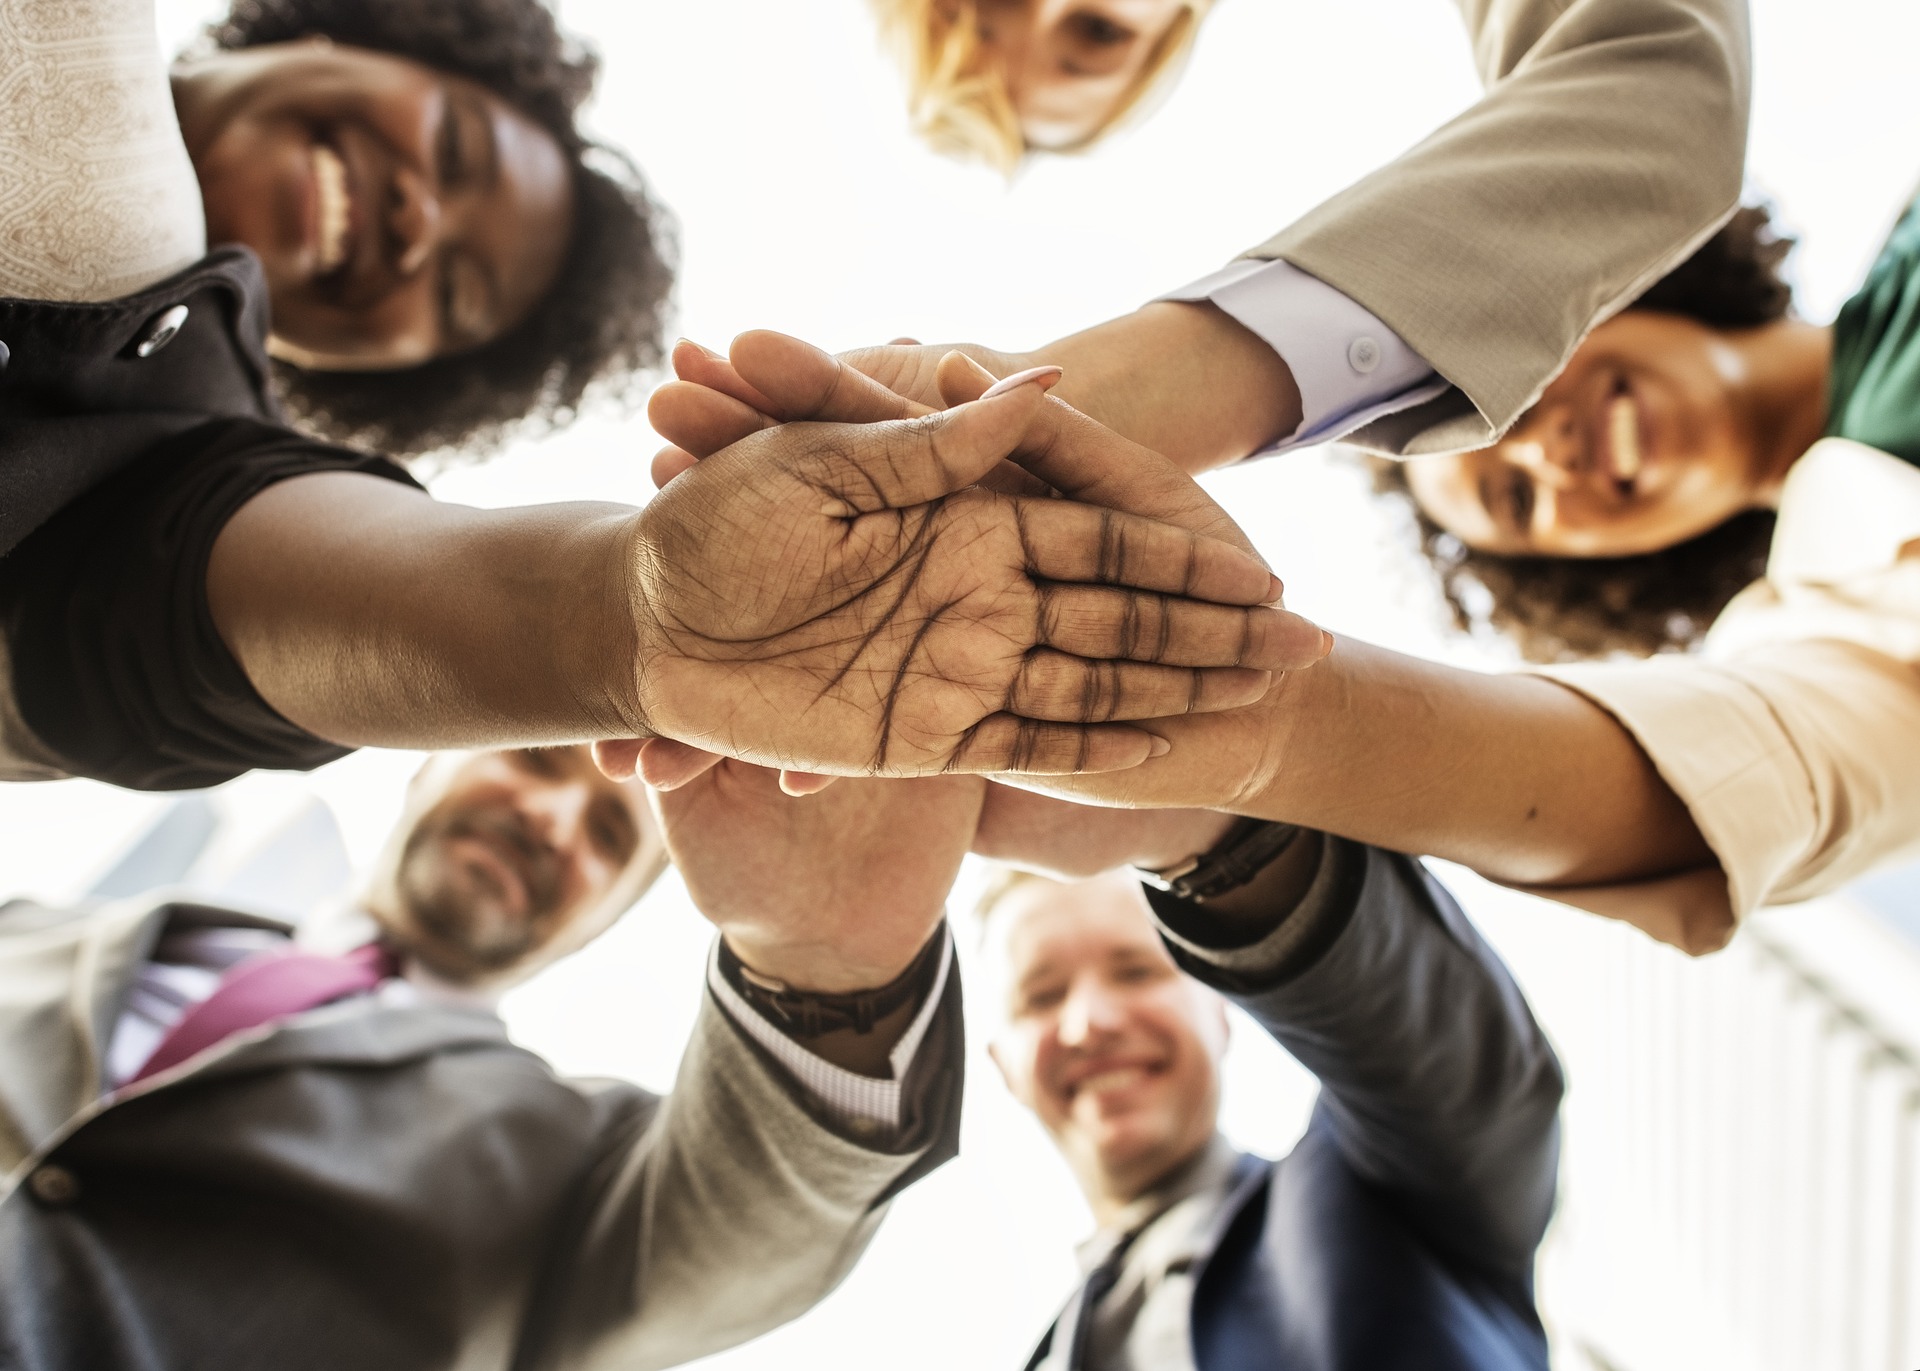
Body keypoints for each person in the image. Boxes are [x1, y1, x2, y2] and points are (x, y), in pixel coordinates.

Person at [0, 0, 1326, 794]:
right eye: (450, 145)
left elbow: (180, 589)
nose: (416, 217)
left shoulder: (148, 441)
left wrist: (612, 620)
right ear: (340, 27)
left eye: (451, 295)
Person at [0, 742, 969, 1369]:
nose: (550, 821)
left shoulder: (576, 1166)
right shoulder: (35, 929)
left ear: (599, 925)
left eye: (605, 834)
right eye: (539, 758)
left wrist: (822, 959)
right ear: (426, 764)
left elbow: (756, 1215)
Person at [972, 826, 1563, 1370]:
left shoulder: (1383, 1191)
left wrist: (1216, 839)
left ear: (1219, 1009)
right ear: (1002, 1065)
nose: (1090, 1022)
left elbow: (1461, 1075)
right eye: (1041, 996)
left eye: (1136, 972)